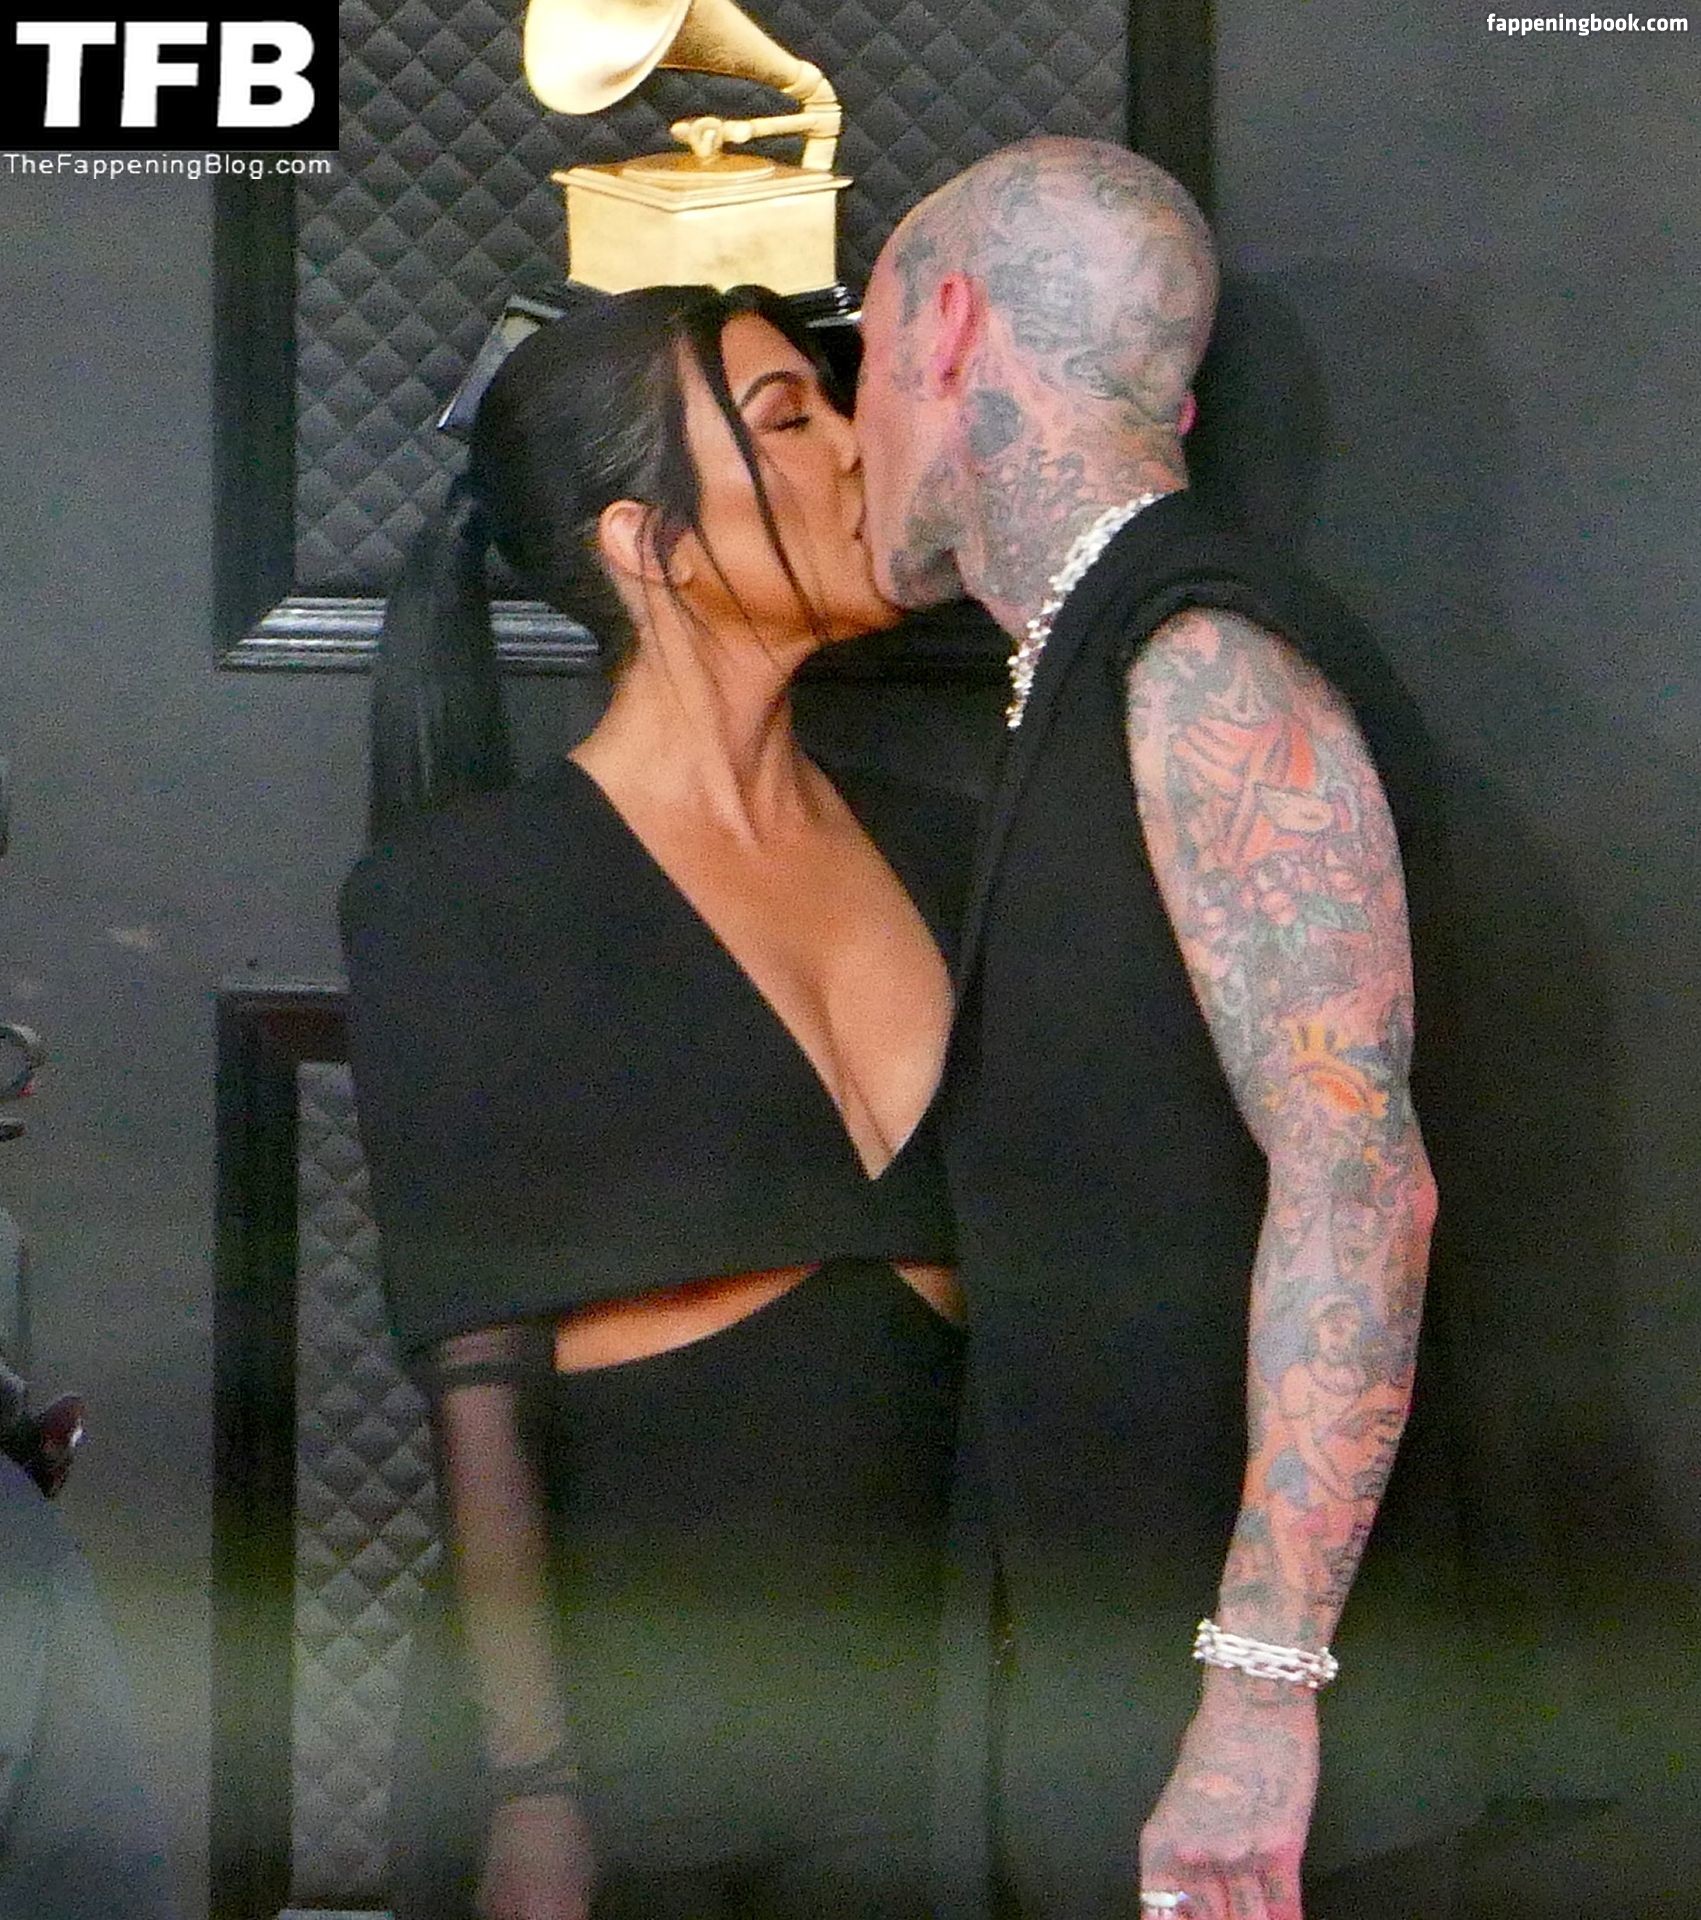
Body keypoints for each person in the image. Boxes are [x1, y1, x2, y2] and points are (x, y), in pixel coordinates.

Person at [854, 137, 1477, 1919]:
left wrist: (1257, 1698)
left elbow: (1360, 1179)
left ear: (945, 327)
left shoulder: (1196, 656)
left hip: (1255, 1758)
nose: (854, 429)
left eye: (864, 357)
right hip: (1123, 1682)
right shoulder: (1100, 659)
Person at [340, 284, 974, 1920]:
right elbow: (478, 1380)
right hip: (621, 1769)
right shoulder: (465, 893)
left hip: (933, 1755)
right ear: (645, 540)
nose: (860, 448)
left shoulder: (960, 852)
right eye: (788, 419)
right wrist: (534, 1790)